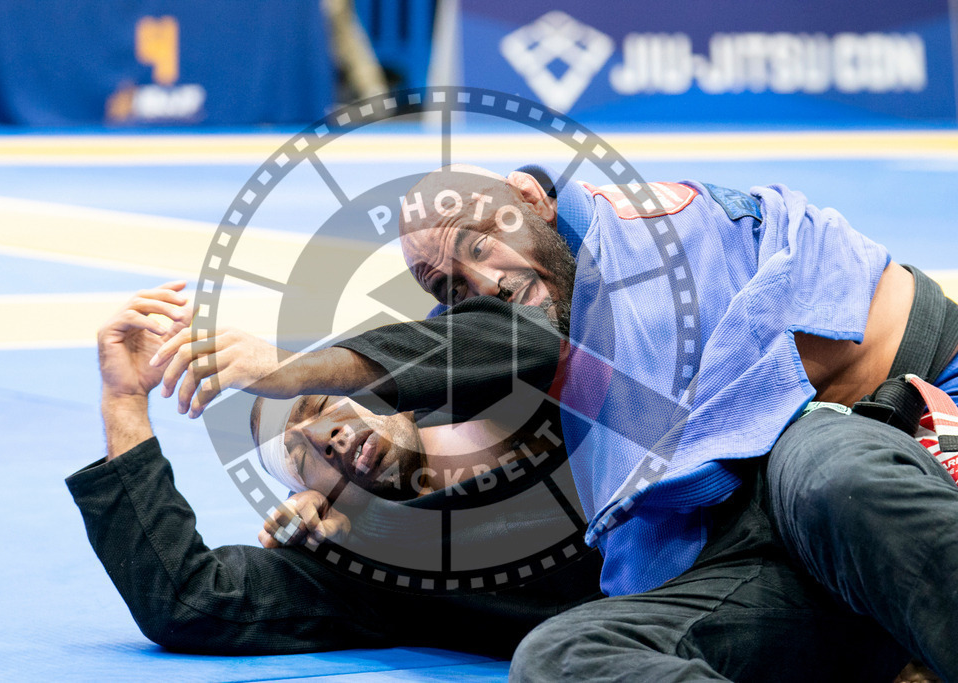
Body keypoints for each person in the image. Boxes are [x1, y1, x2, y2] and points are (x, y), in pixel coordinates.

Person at [152, 164, 958, 680]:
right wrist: (359, 517)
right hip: (771, 564)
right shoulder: (394, 530)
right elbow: (193, 599)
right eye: (450, 283)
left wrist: (293, 366)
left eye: (480, 242)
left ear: (531, 198)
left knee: (826, 463)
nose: (481, 282)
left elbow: (510, 345)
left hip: (889, 429)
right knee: (561, 656)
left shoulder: (627, 243)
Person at [67, 281, 603, 657]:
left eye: (319, 407)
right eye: (302, 461)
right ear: (316, 499)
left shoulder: (476, 373)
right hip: (645, 622)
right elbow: (191, 601)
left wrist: (290, 369)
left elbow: (537, 335)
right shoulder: (362, 564)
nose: (325, 440)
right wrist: (124, 401)